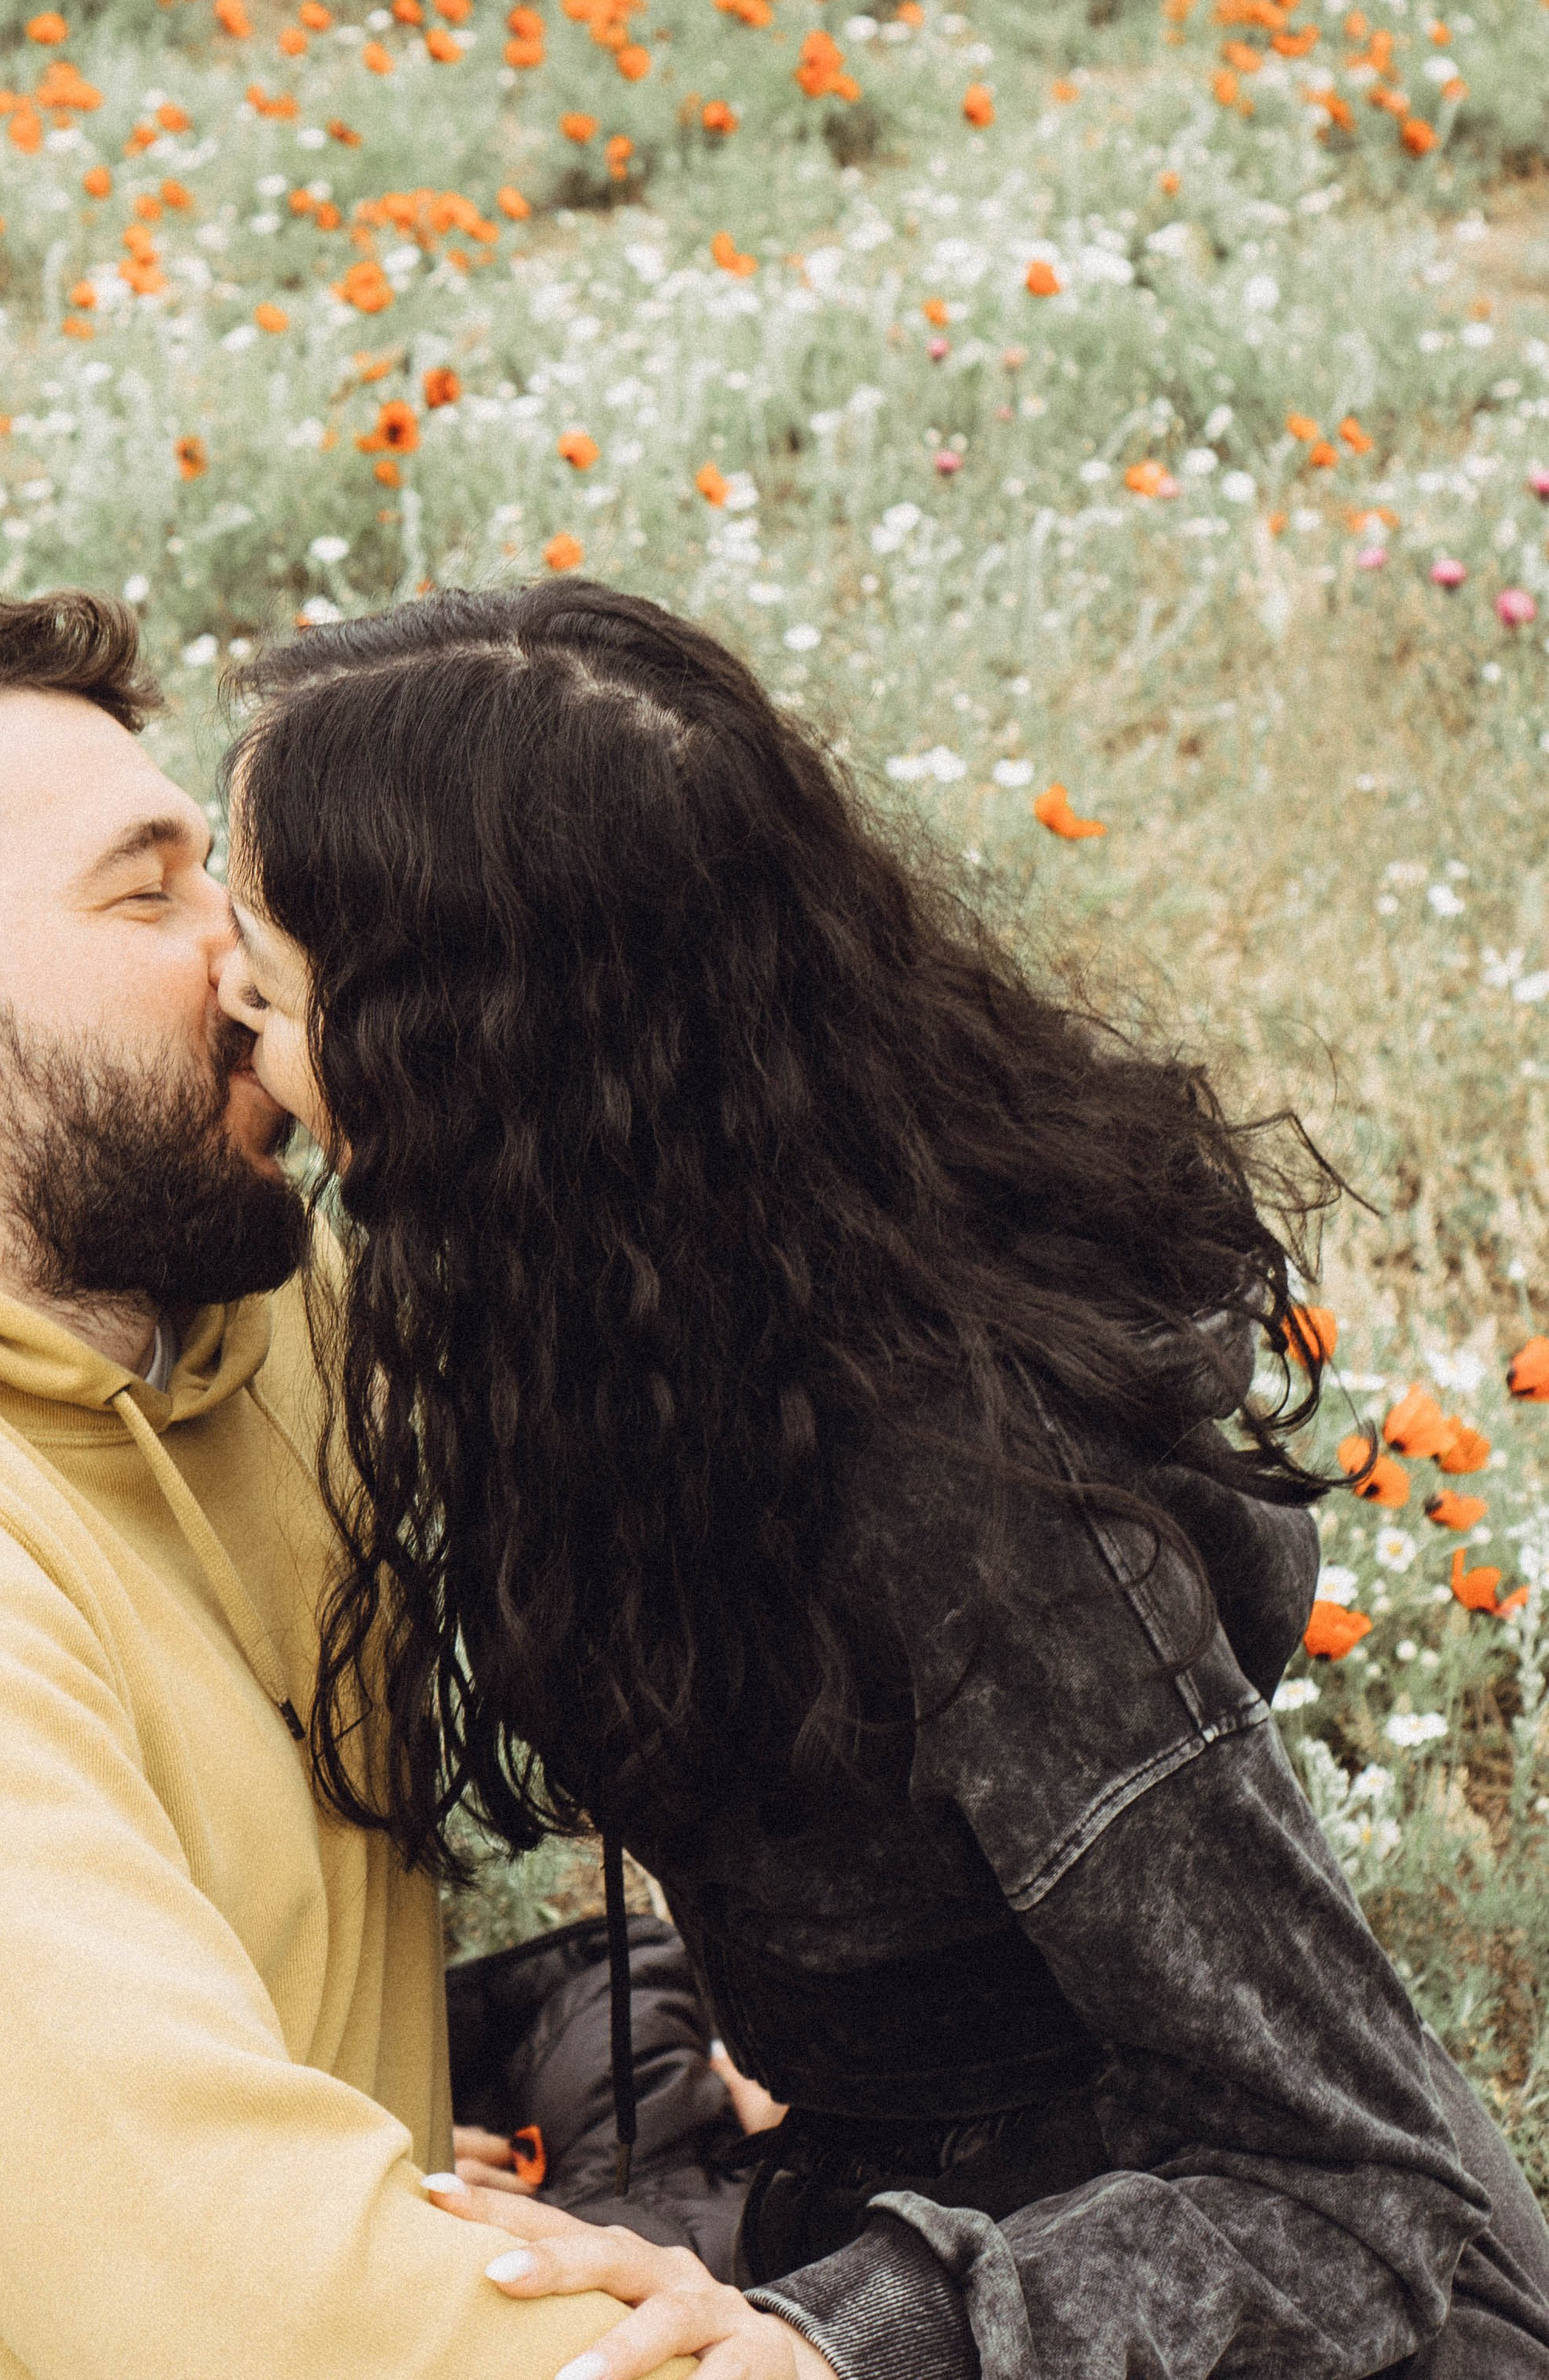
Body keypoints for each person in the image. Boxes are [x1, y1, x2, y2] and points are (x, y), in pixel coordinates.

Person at [215, 577, 1549, 2380]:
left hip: (1178, 2300)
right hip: (863, 2165)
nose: (221, 990)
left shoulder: (980, 1506)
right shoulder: (591, 1295)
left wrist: (837, 2339)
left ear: (473, 1067)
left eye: (269, 969)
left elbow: (1346, 2187)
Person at [0, 580, 809, 2380]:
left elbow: (675, 1440)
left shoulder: (207, 1301)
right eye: (149, 889)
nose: (246, 948)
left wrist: (790, 1949)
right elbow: (257, 2329)